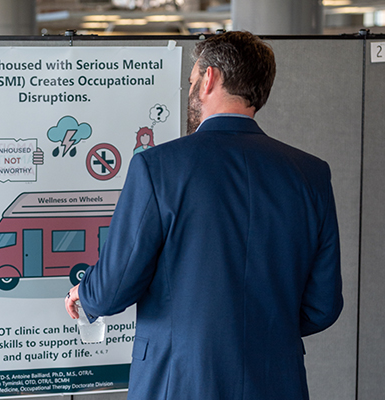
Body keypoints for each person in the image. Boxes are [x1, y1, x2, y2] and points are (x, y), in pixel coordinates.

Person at [65, 31, 343, 400]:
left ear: (210, 78)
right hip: (276, 381)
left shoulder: (157, 167)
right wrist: (262, 330)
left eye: (193, 79)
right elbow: (323, 306)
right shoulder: (311, 174)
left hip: (178, 380)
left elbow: (113, 288)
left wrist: (85, 294)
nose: (192, 88)